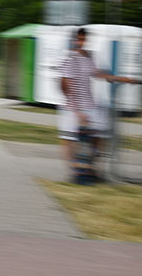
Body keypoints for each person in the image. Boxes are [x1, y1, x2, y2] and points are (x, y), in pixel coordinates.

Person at [57, 27, 134, 182]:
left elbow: (97, 74)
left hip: (89, 104)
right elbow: (65, 86)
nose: (81, 42)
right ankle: (74, 171)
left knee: (99, 134)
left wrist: (120, 78)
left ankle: (90, 168)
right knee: (69, 139)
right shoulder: (70, 59)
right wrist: (77, 111)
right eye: (79, 39)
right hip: (74, 107)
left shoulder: (88, 56)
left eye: (83, 39)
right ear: (73, 40)